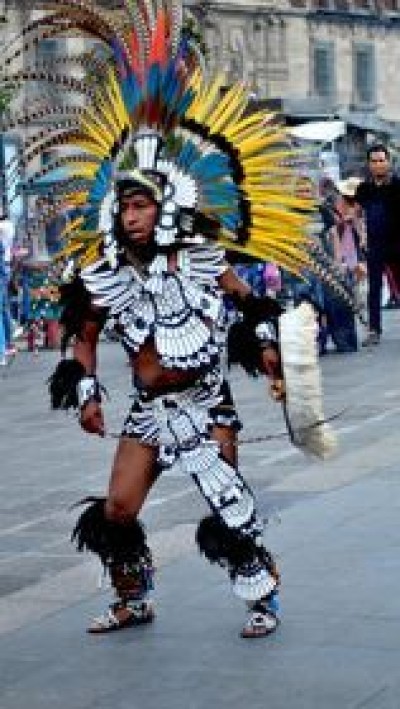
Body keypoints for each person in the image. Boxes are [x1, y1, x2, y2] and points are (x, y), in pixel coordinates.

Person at [12, 0, 330, 640]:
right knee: (118, 511)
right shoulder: (104, 272)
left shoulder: (202, 257)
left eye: (140, 205)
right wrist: (84, 386)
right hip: (146, 411)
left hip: (207, 403)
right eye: (123, 205)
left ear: (162, 207)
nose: (131, 216)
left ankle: (261, 595)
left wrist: (267, 347)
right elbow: (85, 336)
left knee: (228, 509)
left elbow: (249, 301)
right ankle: (134, 598)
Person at [355, 144, 400, 346]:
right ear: (369, 164)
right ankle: (374, 330)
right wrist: (361, 235)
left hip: (398, 243)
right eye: (374, 161)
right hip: (375, 245)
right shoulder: (364, 189)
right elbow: (356, 214)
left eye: (382, 160)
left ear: (388, 162)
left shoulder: (398, 185)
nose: (378, 164)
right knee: (374, 288)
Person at [322, 177, 364, 353]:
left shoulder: (355, 208)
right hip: (339, 256)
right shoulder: (332, 207)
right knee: (340, 297)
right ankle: (341, 339)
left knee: (345, 296)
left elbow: (357, 233)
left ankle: (346, 340)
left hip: (348, 255)